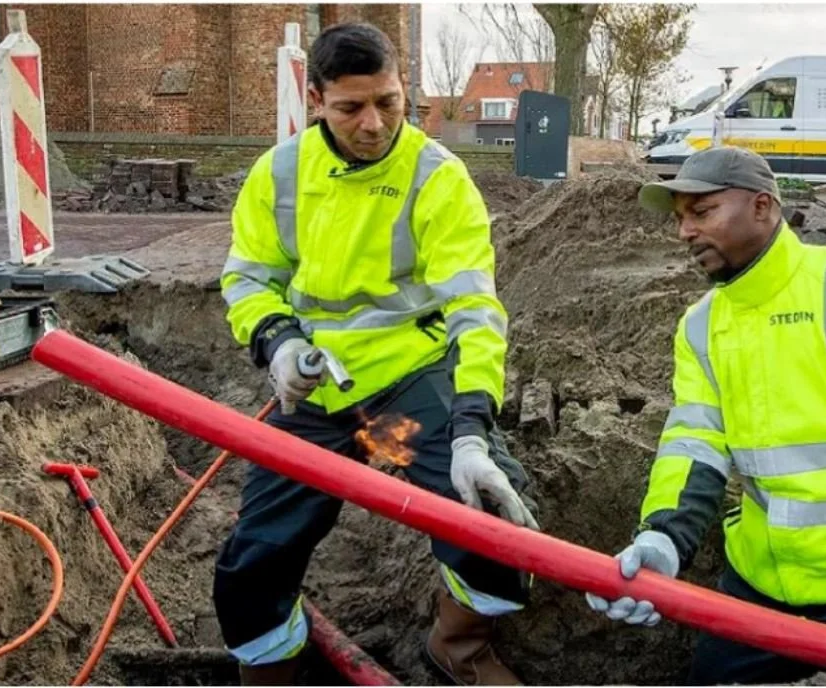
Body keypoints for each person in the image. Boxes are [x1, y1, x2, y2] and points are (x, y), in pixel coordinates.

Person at [214, 21, 538, 686]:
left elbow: (475, 312)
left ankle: (459, 647)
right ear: (314, 99)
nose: (373, 124)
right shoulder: (278, 175)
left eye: (388, 102)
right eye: (351, 107)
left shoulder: (437, 178)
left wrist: (472, 431)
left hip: (400, 405)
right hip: (312, 400)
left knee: (494, 528)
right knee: (252, 567)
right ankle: (279, 669)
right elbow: (248, 280)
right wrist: (278, 344)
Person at [586, 146, 826, 684]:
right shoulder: (701, 325)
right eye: (680, 217)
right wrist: (662, 538)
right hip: (757, 587)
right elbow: (694, 445)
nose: (684, 231)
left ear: (762, 207)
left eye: (701, 212)